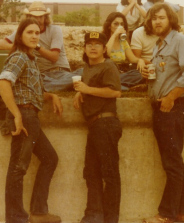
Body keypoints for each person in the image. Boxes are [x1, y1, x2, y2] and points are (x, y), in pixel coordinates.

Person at [0, 18, 64, 223]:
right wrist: (17, 115)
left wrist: (51, 96)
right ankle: (16, 218)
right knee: (18, 168)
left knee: (50, 158)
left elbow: (30, 90)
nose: (35, 36)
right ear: (20, 36)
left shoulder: (31, 59)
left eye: (37, 32)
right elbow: (3, 83)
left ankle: (38, 211)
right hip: (24, 116)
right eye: (30, 32)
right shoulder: (18, 57)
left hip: (31, 116)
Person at [141, 3, 184, 223]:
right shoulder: (158, 45)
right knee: (175, 161)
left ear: (171, 20)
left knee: (171, 163)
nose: (157, 21)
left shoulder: (180, 40)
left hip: (172, 108)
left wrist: (171, 97)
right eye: (154, 18)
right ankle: (182, 212)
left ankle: (165, 214)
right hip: (162, 107)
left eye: (162, 18)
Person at [73, 32, 122, 223]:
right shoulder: (86, 68)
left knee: (109, 174)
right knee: (91, 172)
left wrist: (87, 90)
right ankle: (93, 217)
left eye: (97, 44)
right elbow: (88, 87)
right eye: (89, 44)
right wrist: (80, 94)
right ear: (85, 48)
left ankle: (110, 220)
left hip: (106, 123)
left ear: (104, 48)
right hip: (94, 125)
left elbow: (115, 91)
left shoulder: (109, 66)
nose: (93, 47)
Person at [0, 1, 81, 92]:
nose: (38, 19)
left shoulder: (55, 30)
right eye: (35, 16)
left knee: (82, 73)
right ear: (29, 17)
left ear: (45, 17)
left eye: (41, 16)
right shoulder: (24, 31)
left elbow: (54, 57)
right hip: (41, 75)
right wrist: (23, 44)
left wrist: (36, 47)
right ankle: (49, 87)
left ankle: (46, 87)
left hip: (59, 73)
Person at [103, 12, 145, 90]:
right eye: (116, 24)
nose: (119, 26)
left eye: (121, 24)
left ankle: (113, 84)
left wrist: (140, 60)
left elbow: (132, 58)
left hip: (120, 73)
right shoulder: (103, 39)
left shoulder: (123, 41)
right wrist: (115, 35)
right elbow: (105, 54)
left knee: (139, 73)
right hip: (106, 72)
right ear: (109, 26)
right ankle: (120, 85)